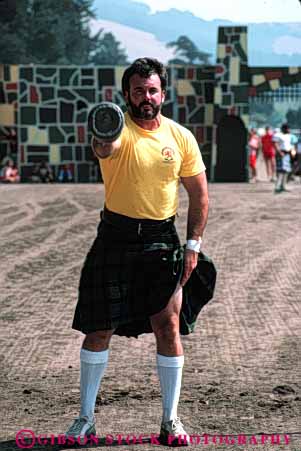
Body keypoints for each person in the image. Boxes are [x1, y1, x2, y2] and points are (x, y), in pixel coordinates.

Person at [65, 57, 209, 445]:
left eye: (152, 90)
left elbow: (199, 195)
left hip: (162, 239)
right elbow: (104, 145)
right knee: (99, 327)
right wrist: (102, 131)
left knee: (168, 325)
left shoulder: (180, 137)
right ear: (126, 94)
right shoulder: (117, 128)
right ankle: (85, 420)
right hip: (115, 236)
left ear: (162, 93)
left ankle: (170, 421)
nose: (145, 98)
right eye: (137, 91)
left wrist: (193, 245)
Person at [273, 123, 295, 193]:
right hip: (281, 154)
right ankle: (277, 186)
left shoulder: (289, 136)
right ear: (284, 129)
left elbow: (290, 145)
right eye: (288, 129)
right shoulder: (278, 135)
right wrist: (280, 152)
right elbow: (275, 144)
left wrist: (292, 152)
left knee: (286, 170)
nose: (289, 130)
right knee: (281, 170)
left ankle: (283, 186)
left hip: (287, 154)